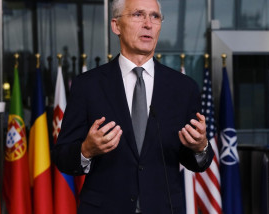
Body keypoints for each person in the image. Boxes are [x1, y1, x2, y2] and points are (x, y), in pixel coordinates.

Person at [52, 0, 214, 213]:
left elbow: (196, 162)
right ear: (116, 26)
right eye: (138, 14)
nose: (148, 24)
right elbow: (62, 156)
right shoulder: (87, 85)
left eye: (155, 16)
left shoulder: (183, 88)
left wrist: (200, 146)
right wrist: (86, 150)